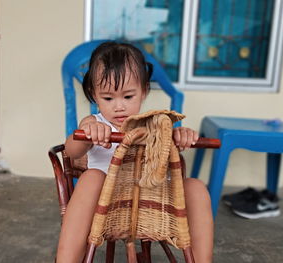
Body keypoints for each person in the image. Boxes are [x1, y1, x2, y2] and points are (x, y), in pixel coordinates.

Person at [56, 41, 213, 263]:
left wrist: (181, 136)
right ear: (94, 94)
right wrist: (87, 132)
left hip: (153, 199)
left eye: (128, 97)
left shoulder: (154, 123)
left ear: (144, 91)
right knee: (91, 177)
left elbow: (172, 142)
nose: (119, 107)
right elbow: (71, 151)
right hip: (107, 203)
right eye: (108, 98)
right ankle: (66, 260)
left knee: (196, 187)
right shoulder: (95, 122)